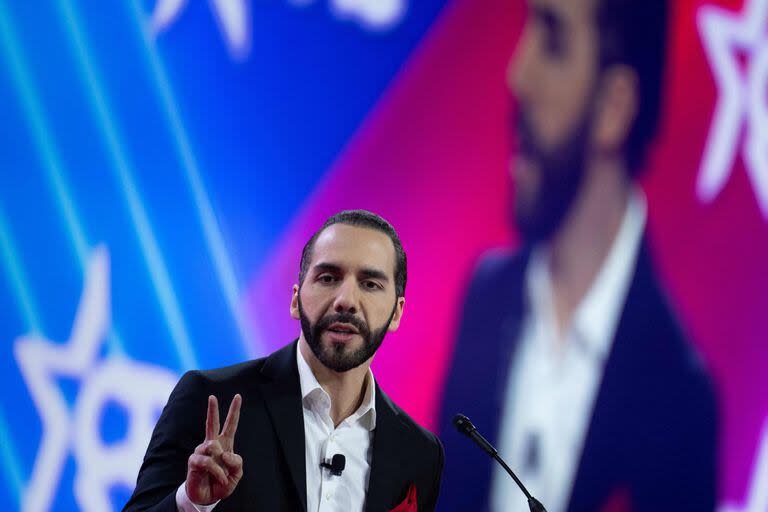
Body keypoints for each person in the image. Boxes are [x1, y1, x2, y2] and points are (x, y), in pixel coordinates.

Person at [438, 0, 717, 510]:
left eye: (554, 42)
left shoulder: (681, 400)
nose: (518, 73)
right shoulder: (486, 297)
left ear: (615, 106)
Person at [124, 210, 444, 511]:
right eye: (328, 278)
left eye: (370, 284)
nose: (346, 300)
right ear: (295, 300)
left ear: (397, 312)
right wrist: (191, 503)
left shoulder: (418, 452)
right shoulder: (211, 400)